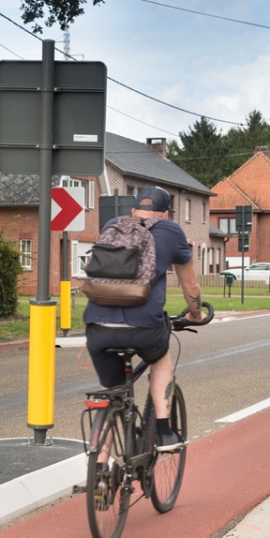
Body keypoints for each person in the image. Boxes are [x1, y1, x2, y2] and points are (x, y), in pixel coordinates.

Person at [84, 186, 203, 450]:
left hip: (97, 325)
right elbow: (190, 284)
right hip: (144, 326)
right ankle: (163, 430)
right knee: (160, 358)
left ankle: (100, 476)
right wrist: (196, 314)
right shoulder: (170, 230)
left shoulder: (113, 225)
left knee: (112, 393)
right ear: (164, 213)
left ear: (135, 209)